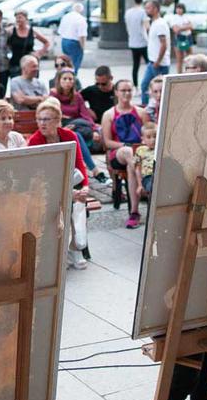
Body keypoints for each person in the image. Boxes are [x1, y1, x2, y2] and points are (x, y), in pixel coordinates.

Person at [27, 99, 92, 269]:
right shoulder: (35, 141)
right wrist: (69, 192)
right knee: (72, 201)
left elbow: (80, 163)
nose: (42, 123)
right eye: (39, 119)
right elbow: (39, 177)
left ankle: (74, 248)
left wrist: (85, 186)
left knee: (79, 201)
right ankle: (67, 249)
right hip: (45, 188)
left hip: (71, 181)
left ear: (57, 120)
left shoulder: (70, 136)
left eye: (47, 119)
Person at [100, 80, 148, 209]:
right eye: (123, 90)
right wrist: (126, 145)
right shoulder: (109, 114)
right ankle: (142, 184)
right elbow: (108, 142)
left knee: (131, 166)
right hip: (118, 153)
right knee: (128, 151)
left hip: (138, 153)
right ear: (116, 92)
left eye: (129, 90)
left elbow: (148, 135)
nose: (126, 93)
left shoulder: (141, 113)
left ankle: (134, 211)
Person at [50, 67, 99, 176]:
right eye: (65, 79)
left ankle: (80, 170)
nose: (68, 81)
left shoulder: (77, 96)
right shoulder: (53, 95)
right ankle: (94, 170)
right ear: (59, 80)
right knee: (76, 136)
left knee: (80, 134)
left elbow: (85, 115)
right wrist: (63, 127)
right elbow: (52, 116)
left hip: (77, 127)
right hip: (60, 129)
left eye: (70, 79)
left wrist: (95, 129)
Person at [125, 122, 158, 229]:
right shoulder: (141, 150)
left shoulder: (160, 149)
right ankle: (152, 216)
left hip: (160, 176)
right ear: (143, 138)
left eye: (155, 136)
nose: (152, 140)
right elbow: (137, 168)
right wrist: (139, 185)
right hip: (148, 177)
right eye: (149, 137)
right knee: (153, 188)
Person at [140, 0, 171, 107]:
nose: (146, 10)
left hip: (159, 64)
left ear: (155, 9)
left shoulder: (160, 24)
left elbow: (164, 44)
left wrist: (157, 61)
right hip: (152, 62)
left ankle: (160, 110)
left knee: (160, 91)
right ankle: (145, 109)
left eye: (148, 8)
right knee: (145, 86)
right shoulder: (155, 23)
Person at [57, 3, 89, 73]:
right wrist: (83, 47)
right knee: (74, 64)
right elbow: (82, 35)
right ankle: (73, 78)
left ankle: (64, 76)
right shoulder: (81, 19)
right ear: (81, 11)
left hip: (64, 40)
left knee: (66, 62)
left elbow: (60, 31)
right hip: (74, 43)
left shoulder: (65, 17)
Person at [124, 0, 147, 86]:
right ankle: (148, 84)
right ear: (142, 1)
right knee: (149, 65)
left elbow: (127, 27)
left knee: (135, 65)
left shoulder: (128, 12)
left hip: (132, 42)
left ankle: (136, 85)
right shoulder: (143, 12)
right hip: (143, 42)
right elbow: (146, 26)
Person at [170, 2, 195, 74]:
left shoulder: (187, 16)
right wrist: (185, 26)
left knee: (190, 58)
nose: (179, 10)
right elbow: (175, 30)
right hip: (179, 38)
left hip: (188, 37)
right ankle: (179, 75)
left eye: (180, 8)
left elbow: (191, 26)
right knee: (179, 59)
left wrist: (180, 27)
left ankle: (190, 73)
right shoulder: (174, 18)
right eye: (177, 8)